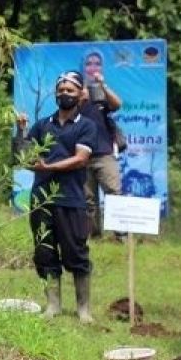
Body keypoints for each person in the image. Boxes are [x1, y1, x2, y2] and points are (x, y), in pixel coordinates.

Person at [15, 72, 99, 322]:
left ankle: (83, 309)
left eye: (70, 90)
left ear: (81, 94)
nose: (64, 94)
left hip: (71, 198)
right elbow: (25, 158)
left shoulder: (86, 126)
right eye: (61, 90)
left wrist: (48, 167)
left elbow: (81, 159)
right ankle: (53, 305)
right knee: (44, 251)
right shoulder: (42, 125)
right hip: (41, 198)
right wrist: (21, 132)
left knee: (76, 252)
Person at [76, 56, 123, 238]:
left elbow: (117, 104)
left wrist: (102, 86)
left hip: (104, 154)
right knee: (88, 200)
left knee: (114, 193)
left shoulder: (100, 100)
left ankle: (120, 235)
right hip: (83, 156)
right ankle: (93, 235)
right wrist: (79, 100)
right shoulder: (73, 105)